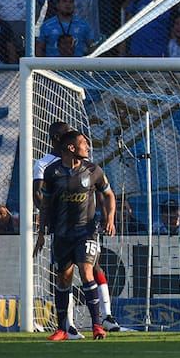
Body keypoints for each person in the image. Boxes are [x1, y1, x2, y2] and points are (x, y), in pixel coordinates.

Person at [32, 120, 119, 335]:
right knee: (63, 277)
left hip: (86, 231)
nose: (88, 146)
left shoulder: (93, 170)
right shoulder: (51, 172)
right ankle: (64, 328)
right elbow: (44, 204)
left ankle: (98, 324)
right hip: (61, 233)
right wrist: (41, 233)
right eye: (84, 143)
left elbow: (108, 195)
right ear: (71, 147)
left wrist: (110, 218)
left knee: (87, 270)